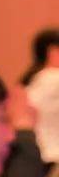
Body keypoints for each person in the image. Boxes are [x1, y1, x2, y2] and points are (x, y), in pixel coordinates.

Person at [23, 28, 59, 165]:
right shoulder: (53, 78)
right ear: (53, 51)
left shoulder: (32, 79)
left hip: (38, 153)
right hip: (53, 155)